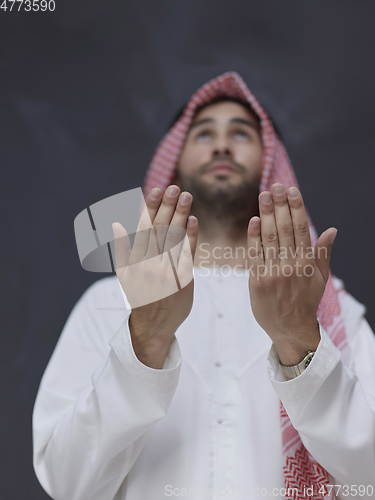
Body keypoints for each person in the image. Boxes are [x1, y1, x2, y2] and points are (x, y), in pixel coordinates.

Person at [32, 72, 375, 500]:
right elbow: (68, 483)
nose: (222, 145)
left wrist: (300, 339)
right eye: (204, 134)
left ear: (270, 161)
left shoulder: (324, 308)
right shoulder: (110, 302)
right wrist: (145, 337)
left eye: (241, 133)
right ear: (175, 161)